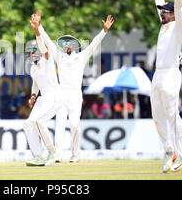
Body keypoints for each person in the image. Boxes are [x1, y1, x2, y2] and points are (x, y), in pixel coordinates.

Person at [37, 10, 114, 163]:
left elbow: (94, 44)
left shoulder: (81, 56)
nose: (66, 44)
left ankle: (75, 153)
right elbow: (48, 42)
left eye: (69, 42)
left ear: (75, 45)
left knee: (74, 125)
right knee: (59, 124)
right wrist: (39, 27)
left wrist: (104, 31)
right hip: (62, 93)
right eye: (64, 42)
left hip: (75, 95)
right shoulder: (59, 56)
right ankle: (58, 154)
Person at [149, 0, 182, 173]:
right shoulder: (164, 25)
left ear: (172, 14)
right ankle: (169, 151)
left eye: (166, 12)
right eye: (162, 12)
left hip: (172, 74)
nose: (162, 15)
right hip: (158, 75)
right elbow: (159, 3)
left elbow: (179, 11)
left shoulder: (178, 26)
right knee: (157, 116)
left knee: (172, 115)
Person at [22, 15, 64, 166]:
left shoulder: (47, 59)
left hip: (55, 98)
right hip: (43, 99)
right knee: (28, 124)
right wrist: (33, 95)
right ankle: (38, 156)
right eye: (30, 51)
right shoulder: (33, 68)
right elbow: (35, 85)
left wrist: (37, 31)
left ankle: (52, 152)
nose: (32, 53)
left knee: (39, 122)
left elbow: (42, 46)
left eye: (35, 50)